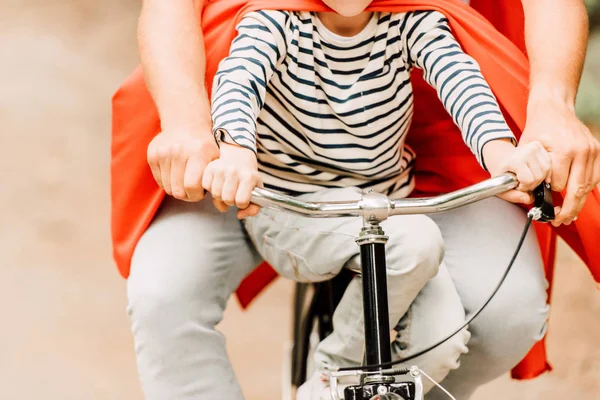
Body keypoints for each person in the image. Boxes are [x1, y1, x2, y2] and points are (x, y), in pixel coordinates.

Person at [123, 0, 599, 399]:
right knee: (164, 295)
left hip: (397, 186)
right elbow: (239, 81)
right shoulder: (271, 22)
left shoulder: (415, 24)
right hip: (266, 184)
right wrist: (221, 142)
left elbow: (463, 82)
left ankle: (334, 386)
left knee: (466, 328)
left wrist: (506, 151)